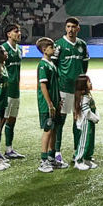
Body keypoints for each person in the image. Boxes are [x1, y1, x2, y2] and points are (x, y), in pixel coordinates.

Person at [54, 17, 89, 167]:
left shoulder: (82, 44)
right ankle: (56, 152)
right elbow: (54, 65)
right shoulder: (59, 44)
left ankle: (77, 152)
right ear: (65, 28)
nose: (70, 29)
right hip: (63, 88)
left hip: (78, 89)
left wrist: (82, 81)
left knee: (78, 121)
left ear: (78, 28)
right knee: (60, 121)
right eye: (68, 26)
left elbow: (85, 66)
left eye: (73, 27)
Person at [0, 24, 26, 161]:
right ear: (8, 34)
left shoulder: (19, 49)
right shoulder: (3, 49)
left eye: (19, 31)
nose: (19, 33)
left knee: (12, 120)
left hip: (16, 90)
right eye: (16, 31)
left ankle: (9, 149)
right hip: (7, 90)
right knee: (1, 121)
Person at [35, 37, 59, 173]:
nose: (54, 49)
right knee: (48, 129)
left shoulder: (51, 63)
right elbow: (43, 86)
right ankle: (43, 161)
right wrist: (49, 104)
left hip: (54, 102)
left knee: (53, 130)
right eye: (52, 47)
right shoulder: (43, 65)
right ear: (44, 49)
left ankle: (51, 158)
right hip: (47, 104)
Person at [72, 74, 100, 171]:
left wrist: (96, 116)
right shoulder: (83, 98)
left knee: (90, 142)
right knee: (84, 142)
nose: (91, 83)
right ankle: (78, 160)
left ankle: (87, 159)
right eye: (89, 82)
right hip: (86, 123)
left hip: (90, 122)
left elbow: (93, 108)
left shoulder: (87, 96)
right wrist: (95, 118)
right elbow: (87, 111)